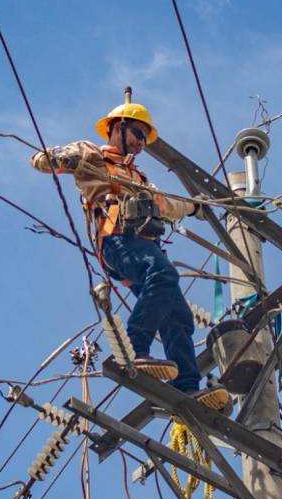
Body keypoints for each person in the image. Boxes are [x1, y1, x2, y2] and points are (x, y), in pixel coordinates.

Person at [31, 98, 228, 410]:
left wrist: (194, 205)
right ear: (118, 128)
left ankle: (188, 387)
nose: (139, 144)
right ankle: (134, 348)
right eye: (137, 134)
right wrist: (63, 159)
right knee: (163, 275)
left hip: (143, 246)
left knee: (178, 315)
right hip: (118, 241)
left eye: (144, 140)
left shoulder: (139, 180)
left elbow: (167, 205)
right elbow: (41, 161)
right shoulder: (93, 155)